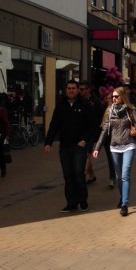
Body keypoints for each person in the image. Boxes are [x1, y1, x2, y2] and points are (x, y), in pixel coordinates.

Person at [44, 80, 96, 213]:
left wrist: (85, 140)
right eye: (69, 88)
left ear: (78, 90)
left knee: (78, 172)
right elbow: (54, 124)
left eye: (74, 88)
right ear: (66, 90)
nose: (71, 90)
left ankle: (82, 199)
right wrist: (48, 142)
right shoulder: (61, 105)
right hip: (65, 146)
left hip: (79, 146)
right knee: (68, 175)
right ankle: (71, 203)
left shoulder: (85, 105)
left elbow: (92, 126)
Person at [93, 86, 136, 217]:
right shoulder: (110, 111)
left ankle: (125, 204)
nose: (113, 99)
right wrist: (97, 148)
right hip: (114, 146)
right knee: (118, 177)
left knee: (125, 175)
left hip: (129, 145)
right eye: (112, 97)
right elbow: (104, 131)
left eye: (116, 96)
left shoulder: (131, 110)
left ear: (123, 97)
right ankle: (122, 197)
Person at [78, 80, 104, 184]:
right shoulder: (78, 100)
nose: (80, 91)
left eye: (82, 89)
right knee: (84, 153)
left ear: (88, 89)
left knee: (87, 153)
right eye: (79, 89)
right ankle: (92, 175)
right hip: (81, 131)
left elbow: (101, 116)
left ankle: (83, 174)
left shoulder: (96, 101)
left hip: (93, 131)